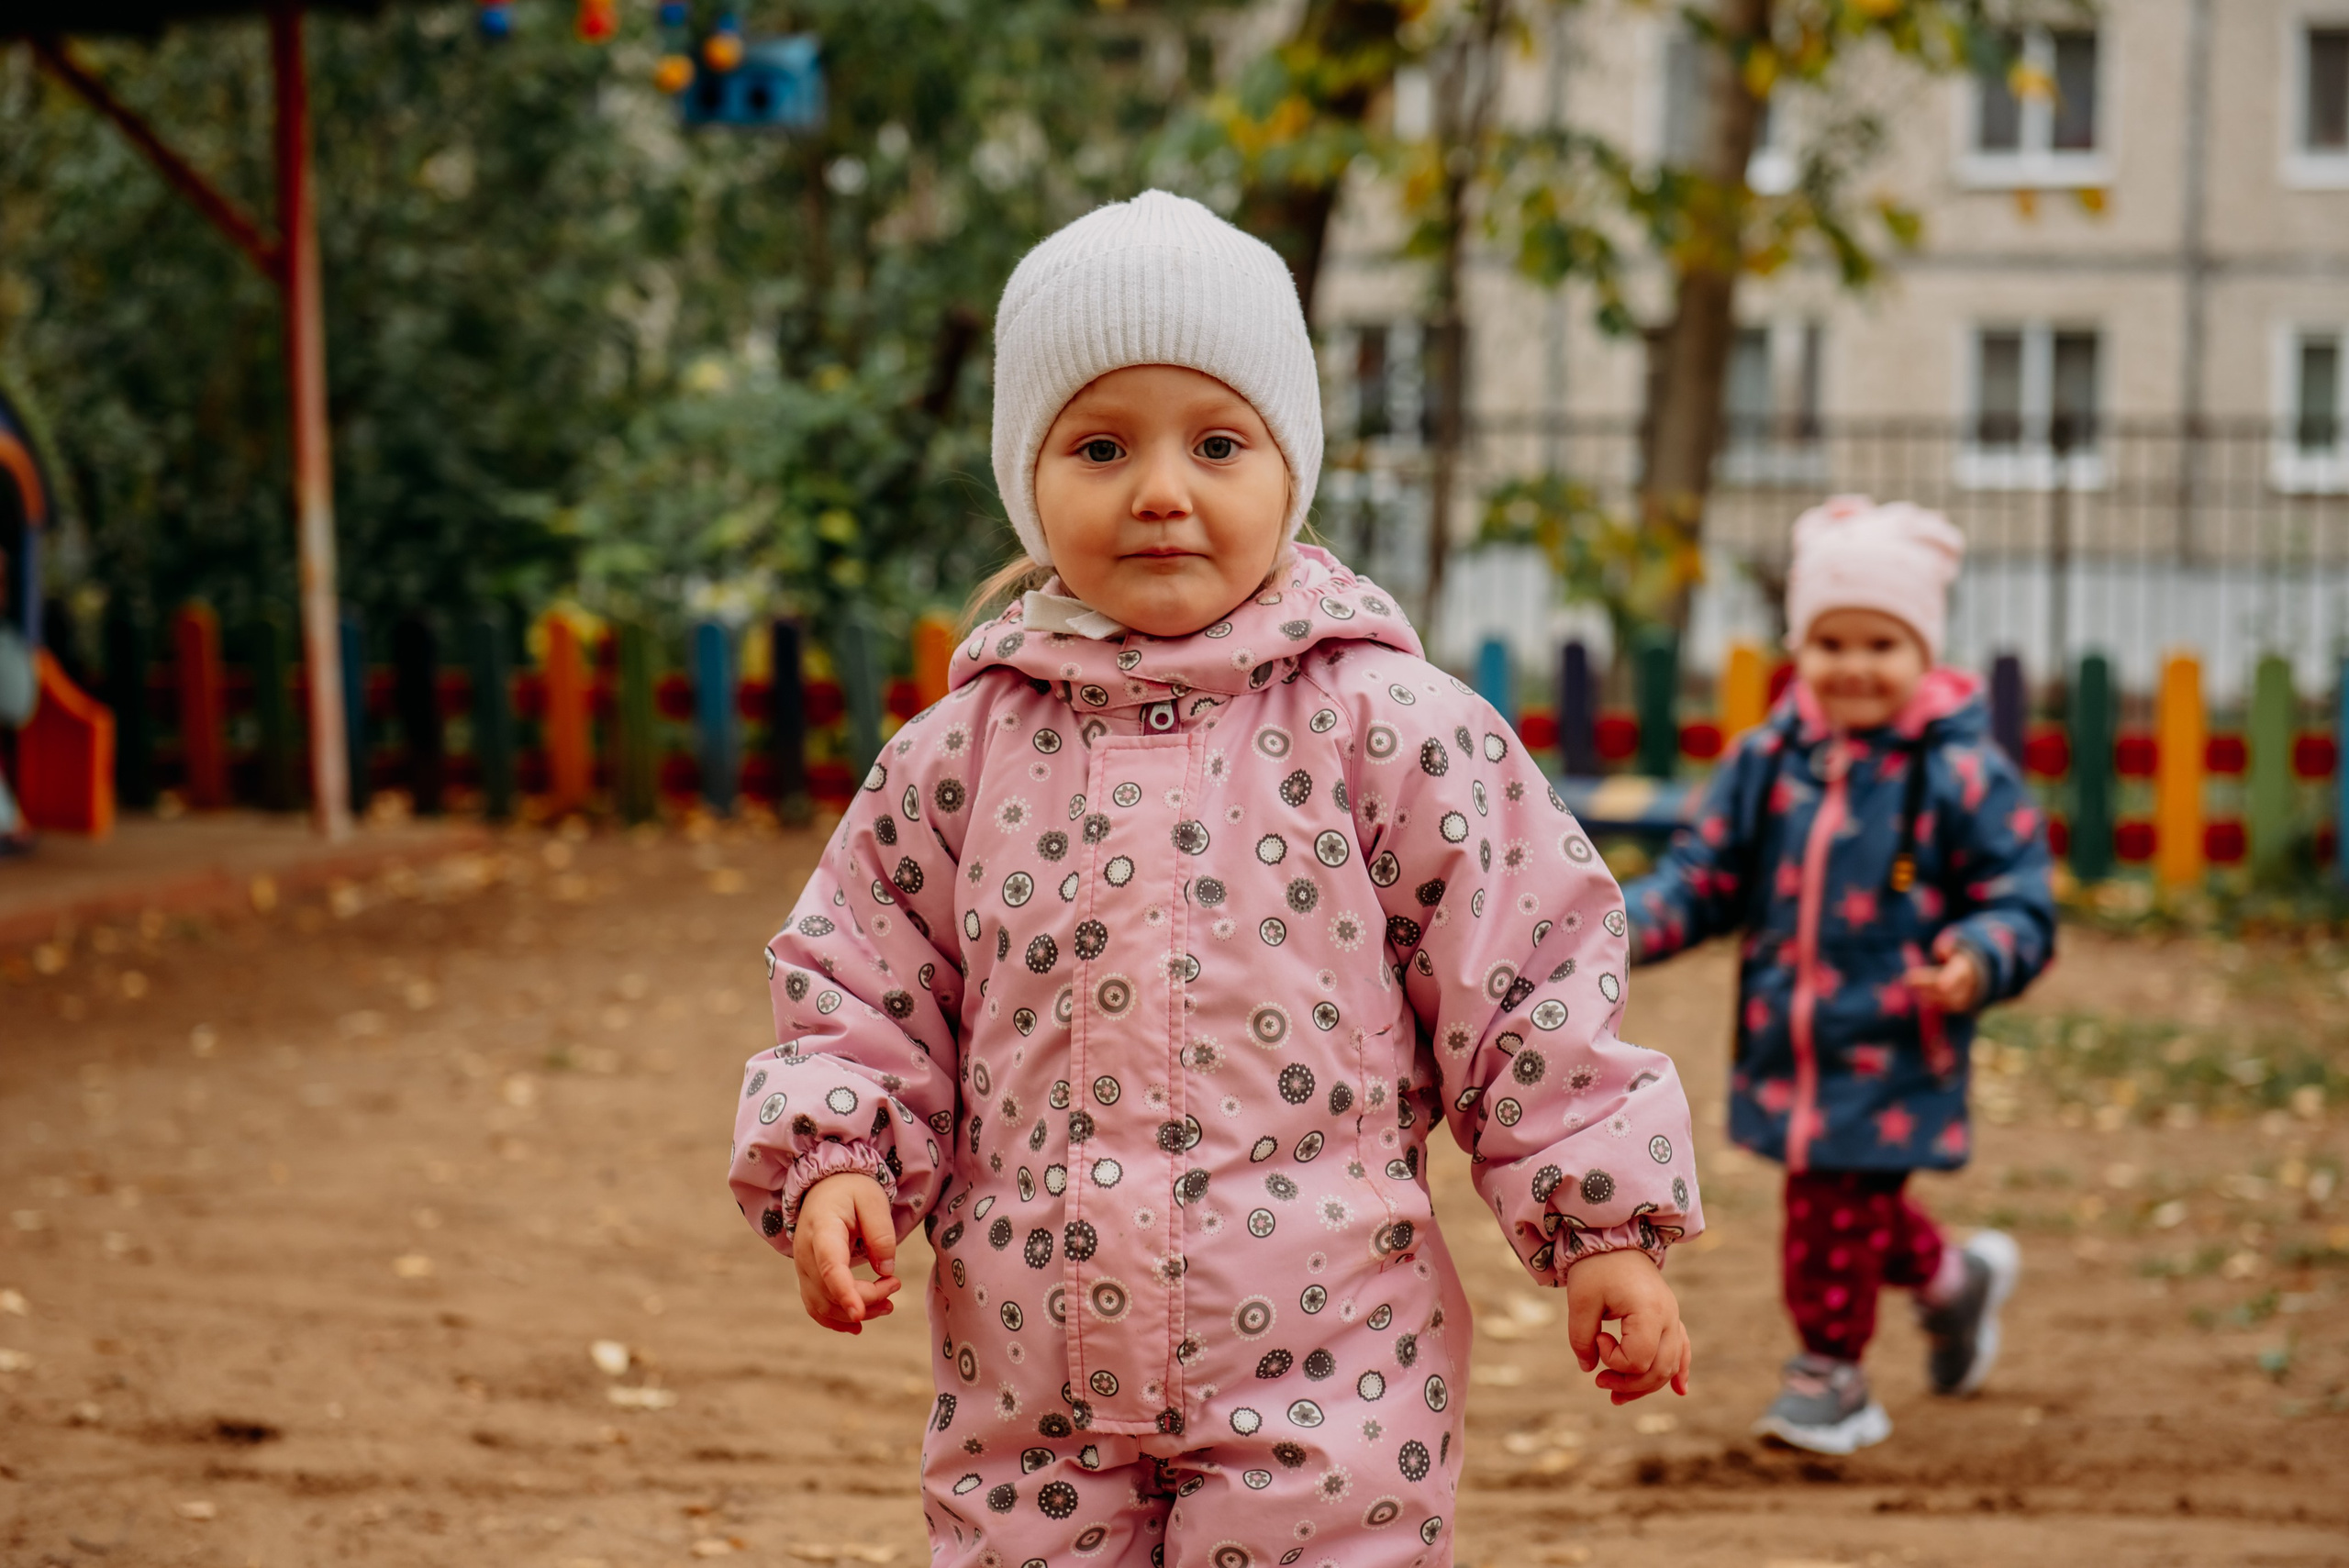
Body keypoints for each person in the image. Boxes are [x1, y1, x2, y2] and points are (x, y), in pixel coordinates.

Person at [727, 191, 1703, 1567]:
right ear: (1030, 475)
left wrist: (1604, 1225)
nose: (1162, 489)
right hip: (1030, 1378)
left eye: (1219, 441)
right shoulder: (956, 756)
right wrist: (840, 1154)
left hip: (1329, 1364)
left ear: (1288, 470)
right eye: (1103, 444)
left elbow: (1529, 975)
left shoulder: (1392, 728)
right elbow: (863, 978)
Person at [1624, 495, 2054, 1456]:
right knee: (1857, 1211)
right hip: (1793, 1037)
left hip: (1898, 1039)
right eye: (1829, 640)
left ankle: (1832, 1377)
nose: (1853, 664)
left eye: (1881, 642)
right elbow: (1705, 874)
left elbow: (2019, 893)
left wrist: (1979, 954)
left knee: (1826, 1209)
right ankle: (1952, 1280)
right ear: (1798, 646)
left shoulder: (1960, 772)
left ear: (1925, 650)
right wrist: (1617, 927)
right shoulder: (1770, 760)